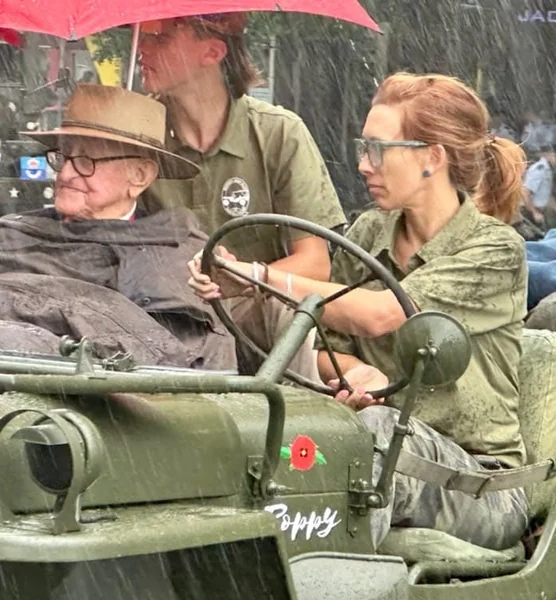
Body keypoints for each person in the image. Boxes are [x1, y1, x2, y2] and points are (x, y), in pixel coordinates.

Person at [189, 73, 529, 552]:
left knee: (372, 435)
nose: (363, 165)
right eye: (362, 148)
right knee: (274, 431)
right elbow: (327, 346)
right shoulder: (369, 232)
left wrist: (260, 277)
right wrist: (355, 373)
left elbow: (383, 314)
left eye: (378, 150)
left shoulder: (495, 249)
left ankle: (323, 581)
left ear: (432, 158)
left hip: (482, 485)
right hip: (387, 448)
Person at [0, 85, 235, 370]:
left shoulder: (183, 253)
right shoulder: (7, 238)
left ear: (139, 176)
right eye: (63, 157)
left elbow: (196, 360)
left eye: (86, 161)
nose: (65, 174)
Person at [136, 12, 346, 379]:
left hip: (263, 329)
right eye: (143, 34)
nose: (142, 46)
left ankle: (297, 415)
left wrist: (242, 277)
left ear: (213, 52)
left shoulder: (279, 134)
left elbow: (315, 264)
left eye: (161, 37)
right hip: (167, 327)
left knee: (289, 315)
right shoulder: (138, 139)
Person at [523, 144, 556, 230]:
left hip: (546, 211)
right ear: (548, 155)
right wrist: (534, 212)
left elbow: (547, 193)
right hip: (535, 211)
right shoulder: (539, 169)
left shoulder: (548, 169)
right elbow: (525, 192)